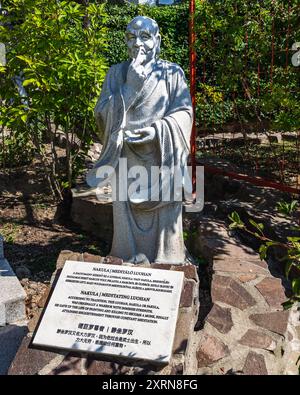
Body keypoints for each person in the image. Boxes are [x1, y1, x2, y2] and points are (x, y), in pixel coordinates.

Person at [86, 16, 193, 264]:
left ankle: (167, 255)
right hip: (125, 154)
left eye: (144, 36)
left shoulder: (172, 73)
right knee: (125, 216)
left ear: (157, 40)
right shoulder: (116, 73)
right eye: (131, 37)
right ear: (125, 41)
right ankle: (126, 253)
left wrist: (158, 132)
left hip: (161, 156)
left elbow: (184, 113)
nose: (138, 43)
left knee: (165, 220)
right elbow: (101, 115)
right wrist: (130, 88)